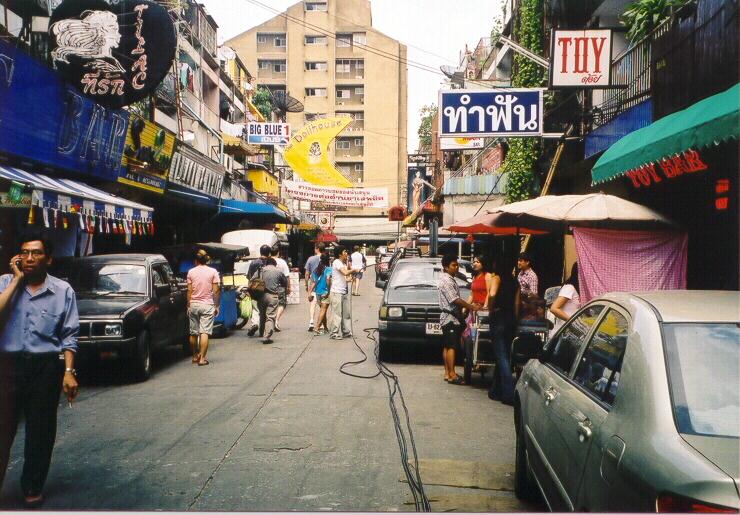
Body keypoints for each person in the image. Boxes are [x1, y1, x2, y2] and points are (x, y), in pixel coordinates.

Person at [0, 230, 79, 507]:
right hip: (6, 365)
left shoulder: (63, 291)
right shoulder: (4, 283)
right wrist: (16, 282)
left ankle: (32, 485)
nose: (29, 258)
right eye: (24, 252)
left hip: (45, 368)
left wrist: (69, 372)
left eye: (35, 253)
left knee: (41, 431)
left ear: (49, 259)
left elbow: (69, 335)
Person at [438, 254, 480, 385]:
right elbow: (454, 299)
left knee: (447, 346)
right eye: (453, 265)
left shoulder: (449, 279)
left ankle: (447, 372)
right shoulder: (447, 280)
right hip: (450, 317)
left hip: (449, 317)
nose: (456, 268)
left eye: (457, 265)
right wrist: (470, 306)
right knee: (451, 346)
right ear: (445, 267)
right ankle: (452, 374)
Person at [488, 258, 518, 405]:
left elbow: (492, 294)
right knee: (504, 354)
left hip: (499, 318)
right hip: (511, 319)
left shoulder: (496, 278)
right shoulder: (515, 282)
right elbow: (517, 304)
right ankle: (495, 390)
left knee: (501, 357)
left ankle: (508, 393)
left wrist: (491, 309)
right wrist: (515, 319)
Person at [187, 249, 220, 366]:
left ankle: (195, 356)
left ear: (196, 261)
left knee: (193, 332)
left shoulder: (190, 272)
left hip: (194, 304)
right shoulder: (213, 271)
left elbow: (189, 290)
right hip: (207, 305)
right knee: (204, 332)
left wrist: (188, 305)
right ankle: (202, 359)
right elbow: (216, 290)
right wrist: (217, 305)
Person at [463, 255, 492, 383]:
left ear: (483, 263)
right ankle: (472, 359)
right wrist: (465, 307)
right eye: (474, 261)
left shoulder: (488, 276)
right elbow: (472, 295)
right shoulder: (475, 277)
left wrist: (485, 307)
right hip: (473, 311)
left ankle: (481, 360)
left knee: (481, 336)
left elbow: (490, 293)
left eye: (478, 262)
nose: (475, 264)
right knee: (469, 337)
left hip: (483, 311)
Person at [257, 258, 287, 344]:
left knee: (262, 315)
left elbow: (253, 279)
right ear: (275, 264)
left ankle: (261, 333)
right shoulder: (278, 271)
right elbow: (284, 282)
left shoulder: (261, 270)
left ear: (266, 263)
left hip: (261, 296)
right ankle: (266, 337)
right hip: (273, 296)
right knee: (270, 316)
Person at [329, 246, 356, 340]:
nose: (347, 254)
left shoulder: (342, 264)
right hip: (336, 292)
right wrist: (353, 270)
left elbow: (344, 278)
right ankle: (334, 333)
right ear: (340, 253)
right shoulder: (336, 262)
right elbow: (345, 273)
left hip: (343, 291)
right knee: (337, 314)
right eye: (345, 252)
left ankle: (346, 332)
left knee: (346, 313)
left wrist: (351, 278)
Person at [246, 245, 272, 337]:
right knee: (264, 310)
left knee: (255, 308)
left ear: (260, 252)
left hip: (254, 289)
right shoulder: (269, 263)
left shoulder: (253, 262)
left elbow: (249, 276)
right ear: (269, 253)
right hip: (266, 289)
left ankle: (254, 324)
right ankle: (263, 329)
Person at [549, 262, 581, 338]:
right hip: (562, 333)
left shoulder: (579, 290)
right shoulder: (569, 288)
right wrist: (573, 321)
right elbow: (554, 308)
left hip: (571, 334)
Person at [307, 253, 332, 335]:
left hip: (318, 293)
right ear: (328, 260)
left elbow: (314, 282)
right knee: (323, 310)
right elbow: (328, 280)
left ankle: (325, 328)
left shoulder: (316, 269)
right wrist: (328, 292)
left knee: (322, 310)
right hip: (325, 292)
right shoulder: (329, 269)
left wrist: (309, 293)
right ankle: (317, 327)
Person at [304, 243, 325, 332]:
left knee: (312, 304)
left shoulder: (310, 259)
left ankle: (311, 321)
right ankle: (322, 324)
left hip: (313, 283)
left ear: (317, 249)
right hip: (323, 284)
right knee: (322, 305)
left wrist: (306, 284)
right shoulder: (325, 258)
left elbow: (307, 273)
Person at [517, 252, 542, 319]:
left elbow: (534, 295)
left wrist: (525, 293)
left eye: (521, 261)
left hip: (527, 306)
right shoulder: (520, 274)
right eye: (518, 260)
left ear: (527, 262)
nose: (518, 263)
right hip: (519, 304)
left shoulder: (532, 276)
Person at [271, 247, 291, 331]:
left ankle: (269, 321)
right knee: (282, 304)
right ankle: (276, 321)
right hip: (280, 286)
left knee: (271, 305)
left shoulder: (267, 262)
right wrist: (288, 287)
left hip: (269, 286)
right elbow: (287, 276)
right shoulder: (282, 262)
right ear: (278, 253)